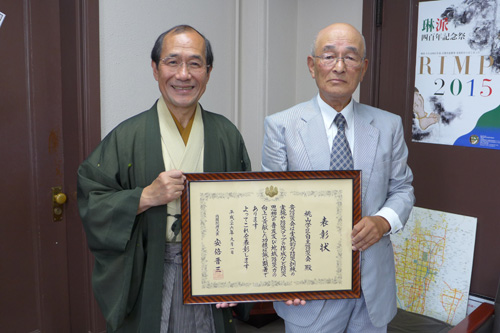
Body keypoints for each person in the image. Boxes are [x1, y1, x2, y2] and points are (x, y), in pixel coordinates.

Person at [77, 25, 252, 332]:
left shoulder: (226, 135)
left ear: (208, 72)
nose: (183, 74)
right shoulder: (126, 136)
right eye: (172, 62)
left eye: (195, 63)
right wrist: (144, 197)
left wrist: (239, 274)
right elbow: (92, 200)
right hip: (149, 271)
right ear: (155, 69)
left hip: (212, 272)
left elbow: (247, 214)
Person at [261, 23, 415, 332]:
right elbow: (271, 208)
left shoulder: (389, 125)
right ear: (312, 65)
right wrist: (281, 277)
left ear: (363, 68)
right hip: (309, 289)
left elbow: (402, 189)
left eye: (350, 57)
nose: (339, 67)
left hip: (370, 289)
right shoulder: (282, 126)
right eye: (329, 56)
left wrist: (383, 221)